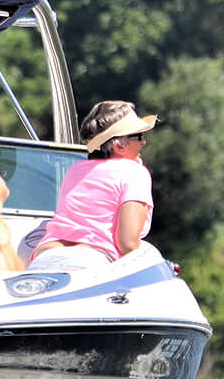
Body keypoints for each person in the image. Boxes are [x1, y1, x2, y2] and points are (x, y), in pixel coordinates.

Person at [28, 100, 157, 269]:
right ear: (119, 145)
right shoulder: (135, 172)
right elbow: (127, 244)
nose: (143, 142)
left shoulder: (75, 169)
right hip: (90, 261)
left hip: (44, 256)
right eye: (138, 136)